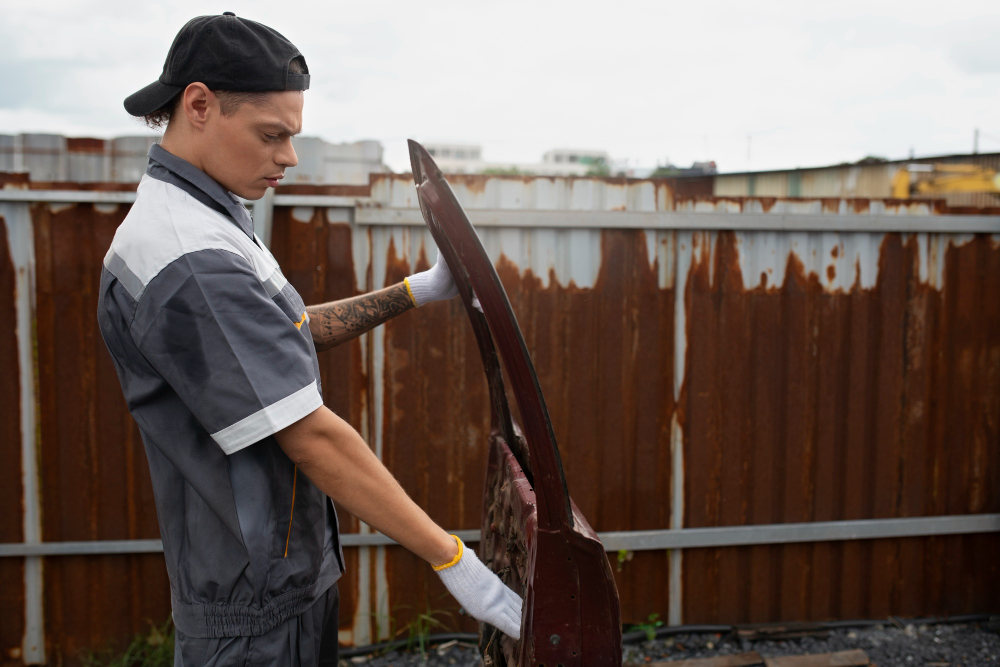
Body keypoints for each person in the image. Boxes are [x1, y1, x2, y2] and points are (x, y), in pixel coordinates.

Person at [97, 13, 522, 667]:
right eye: (273, 136)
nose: (289, 157)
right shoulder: (187, 252)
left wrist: (413, 291)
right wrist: (452, 557)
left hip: (281, 582)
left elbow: (282, 334)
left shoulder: (209, 215)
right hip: (246, 611)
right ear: (200, 104)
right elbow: (309, 434)